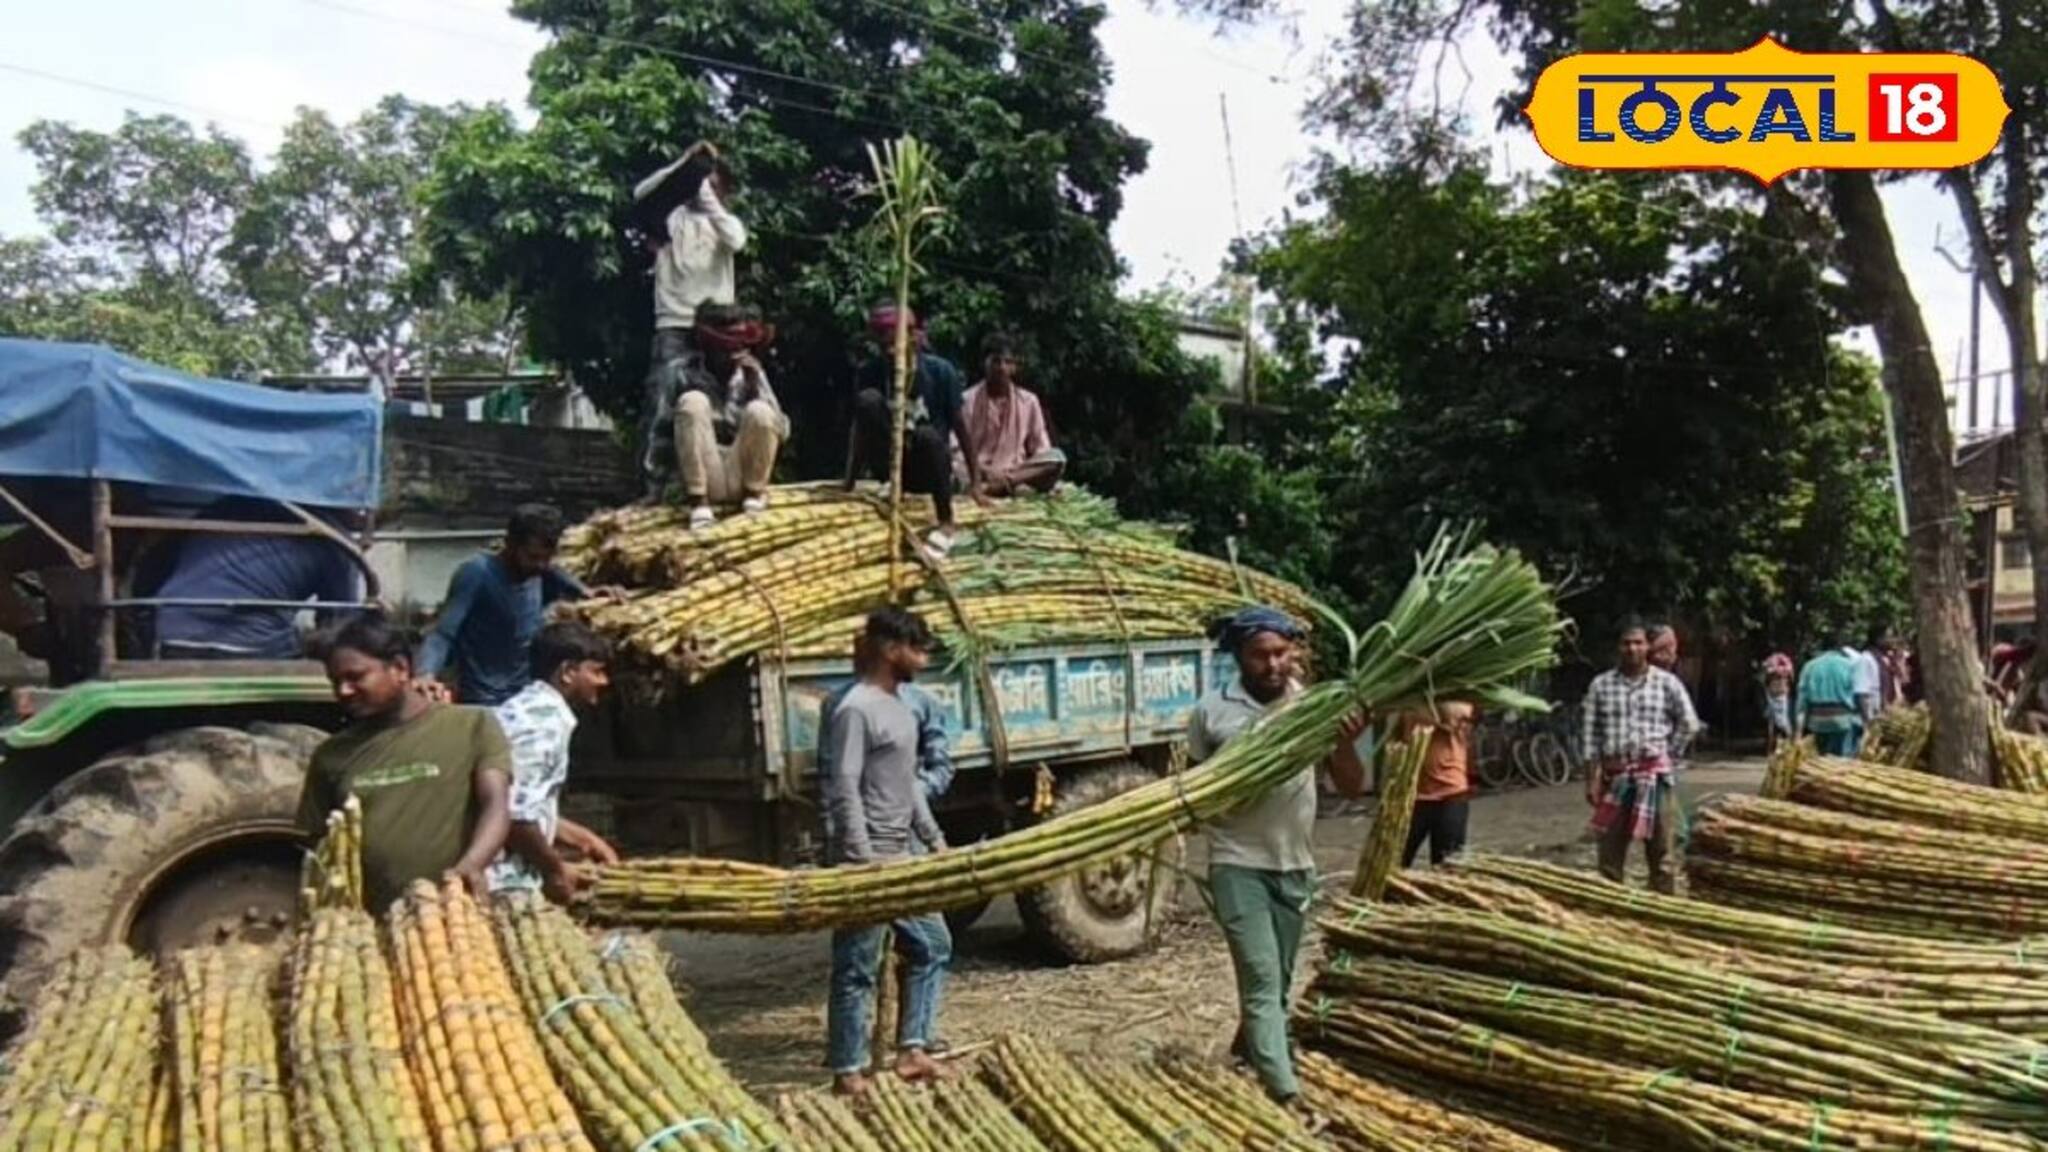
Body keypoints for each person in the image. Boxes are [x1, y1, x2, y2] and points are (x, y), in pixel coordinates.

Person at [1188, 606, 1370, 1104]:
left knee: (1279, 980)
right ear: (1239, 658)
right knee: (1264, 978)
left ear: (1294, 652)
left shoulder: (1314, 707)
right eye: (1259, 655)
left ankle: (1248, 1051)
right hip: (1235, 863)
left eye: (1280, 653)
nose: (1271, 664)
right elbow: (1192, 795)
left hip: (1295, 866)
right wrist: (1232, 789)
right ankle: (1285, 1093)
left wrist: (1347, 743)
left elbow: (1354, 785)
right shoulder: (1212, 711)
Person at [822, 607, 953, 1096]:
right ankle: (849, 1072)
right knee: (856, 965)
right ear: (889, 649)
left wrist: (934, 837)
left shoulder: (902, 706)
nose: (922, 658)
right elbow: (844, 784)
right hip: (869, 855)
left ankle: (912, 1051)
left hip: (903, 852)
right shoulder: (855, 709)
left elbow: (908, 784)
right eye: (916, 648)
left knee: (933, 945)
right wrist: (860, 857)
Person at [297, 614, 513, 910]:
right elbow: (318, 845)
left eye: (355, 677)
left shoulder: (472, 725)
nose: (343, 691)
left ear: (400, 668)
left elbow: (496, 804)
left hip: (454, 914)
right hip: (368, 927)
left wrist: (470, 867)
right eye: (335, 681)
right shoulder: (331, 755)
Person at [415, 505, 618, 707]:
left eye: (546, 558)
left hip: (523, 693)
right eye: (533, 557)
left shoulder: (539, 572)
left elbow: (554, 573)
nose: (540, 565)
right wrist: (426, 673)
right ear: (510, 544)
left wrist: (585, 592)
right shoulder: (477, 574)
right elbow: (443, 633)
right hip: (484, 699)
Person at [636, 143, 748, 496]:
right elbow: (641, 194)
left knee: (725, 404)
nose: (704, 191)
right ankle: (653, 493)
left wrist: (708, 195)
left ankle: (721, 486)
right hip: (674, 323)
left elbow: (737, 240)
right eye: (700, 184)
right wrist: (687, 166)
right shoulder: (671, 218)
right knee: (662, 404)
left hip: (717, 329)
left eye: (713, 184)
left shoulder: (725, 223)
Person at [488, 621, 622, 905]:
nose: (603, 682)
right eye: (596, 671)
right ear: (568, 672)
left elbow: (524, 801)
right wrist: (555, 870)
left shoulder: (522, 707)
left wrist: (581, 837)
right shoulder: (544, 724)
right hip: (503, 878)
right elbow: (515, 814)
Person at [844, 304, 990, 558]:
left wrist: (976, 484)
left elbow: (962, 430)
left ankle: (946, 520)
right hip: (892, 467)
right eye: (884, 347)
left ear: (912, 338)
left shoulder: (940, 371)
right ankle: (893, 487)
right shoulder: (870, 373)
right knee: (867, 400)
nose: (891, 353)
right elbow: (861, 430)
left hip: (930, 467)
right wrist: (849, 481)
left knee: (927, 435)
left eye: (894, 346)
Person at [1581, 620, 1700, 894]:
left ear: (1647, 646)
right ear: (1618, 647)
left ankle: (1661, 912)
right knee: (1609, 854)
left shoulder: (1666, 683)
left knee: (1662, 854)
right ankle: (1611, 911)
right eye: (1626, 643)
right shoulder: (1600, 685)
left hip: (1654, 778)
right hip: (1616, 778)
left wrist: (1668, 754)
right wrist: (1591, 781)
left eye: (1638, 642)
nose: (1632, 648)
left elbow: (1689, 722)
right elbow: (1590, 738)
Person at [671, 304, 790, 531]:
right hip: (705, 475)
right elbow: (663, 433)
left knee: (760, 410)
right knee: (693, 402)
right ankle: (699, 504)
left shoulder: (752, 373)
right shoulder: (683, 373)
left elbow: (782, 431)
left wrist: (755, 387)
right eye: (725, 347)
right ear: (709, 347)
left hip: (742, 475)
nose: (733, 353)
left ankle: (753, 497)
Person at [152, 533, 362, 659]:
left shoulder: (228, 506)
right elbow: (341, 627)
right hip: (247, 645)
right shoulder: (336, 543)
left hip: (170, 635)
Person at [954, 333, 1065, 497]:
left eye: (1007, 362)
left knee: (1056, 458)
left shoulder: (1029, 401)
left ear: (1014, 367)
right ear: (985, 364)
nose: (1001, 368)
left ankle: (1002, 486)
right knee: (952, 466)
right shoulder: (966, 399)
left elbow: (1041, 448)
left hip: (1015, 472)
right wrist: (984, 471)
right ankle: (998, 487)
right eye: (995, 361)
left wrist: (1010, 476)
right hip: (976, 472)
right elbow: (955, 449)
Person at [1401, 700, 1476, 868]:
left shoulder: (1460, 698)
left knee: (1447, 866)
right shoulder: (1408, 696)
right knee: (1393, 861)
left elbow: (1450, 716)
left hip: (1450, 794)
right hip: (1411, 793)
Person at [1796, 635, 1865, 756]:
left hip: (1817, 721)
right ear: (1839, 649)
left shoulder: (1809, 666)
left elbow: (1802, 703)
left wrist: (1798, 733)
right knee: (1842, 759)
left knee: (1821, 758)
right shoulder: (1849, 665)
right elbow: (1858, 694)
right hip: (1842, 719)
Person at [1761, 652, 1795, 755]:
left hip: (1781, 700)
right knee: (1774, 728)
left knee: (1784, 725)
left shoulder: (1788, 701)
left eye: (1783, 679)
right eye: (1776, 679)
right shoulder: (1768, 696)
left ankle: (1786, 750)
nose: (1780, 681)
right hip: (1773, 700)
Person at [1853, 629, 1887, 722]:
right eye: (1887, 637)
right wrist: (1867, 720)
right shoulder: (1865, 659)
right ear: (1878, 639)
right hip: (1871, 715)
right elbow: (1861, 692)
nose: (1890, 640)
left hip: (1881, 714)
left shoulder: (1880, 659)